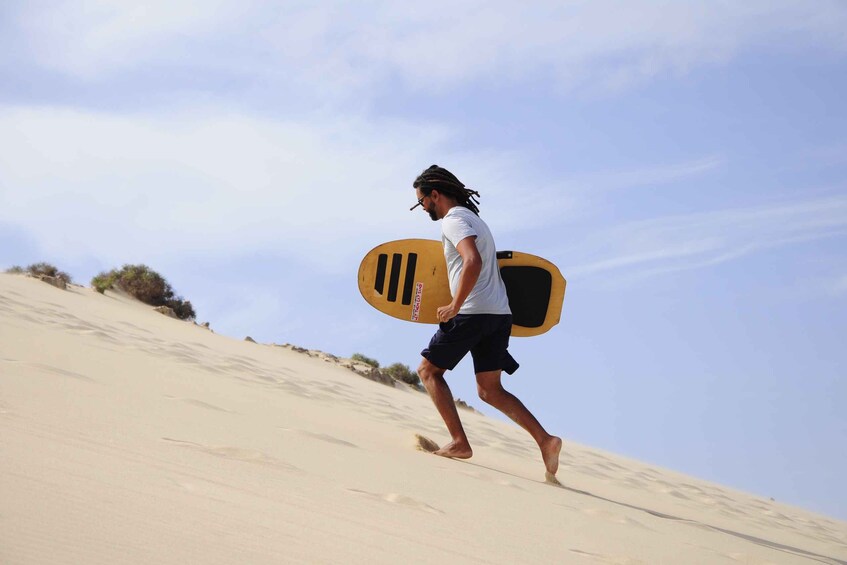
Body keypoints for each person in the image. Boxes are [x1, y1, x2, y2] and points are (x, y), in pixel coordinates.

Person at [411, 164, 562, 479]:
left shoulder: (453, 221)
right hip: (499, 314)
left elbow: (473, 261)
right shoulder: (475, 220)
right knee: (489, 389)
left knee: (428, 371)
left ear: (434, 195)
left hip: (472, 312)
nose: (423, 208)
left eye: (422, 201)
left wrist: (454, 304)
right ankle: (545, 440)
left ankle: (458, 442)